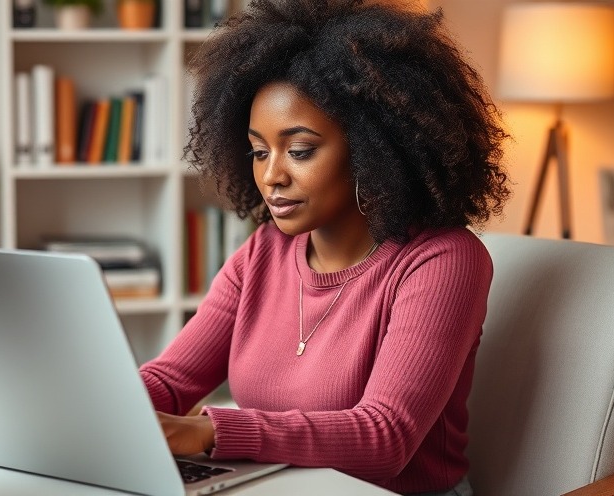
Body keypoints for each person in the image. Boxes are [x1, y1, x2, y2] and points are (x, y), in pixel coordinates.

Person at [138, 1, 511, 495]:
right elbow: (171, 378)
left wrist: (210, 430)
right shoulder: (263, 253)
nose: (272, 176)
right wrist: (96, 404)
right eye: (258, 151)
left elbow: (385, 438)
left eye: (299, 151)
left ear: (374, 146)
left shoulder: (441, 260)